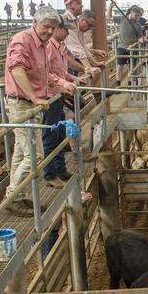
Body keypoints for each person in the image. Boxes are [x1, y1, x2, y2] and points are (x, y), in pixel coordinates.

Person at [4, 7, 63, 216]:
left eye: (52, 27)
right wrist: (33, 96)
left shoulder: (44, 45)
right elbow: (16, 69)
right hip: (22, 104)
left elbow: (46, 74)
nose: (49, 31)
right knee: (35, 155)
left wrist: (61, 84)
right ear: (35, 22)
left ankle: (18, 197)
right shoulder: (22, 40)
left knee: (21, 153)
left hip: (32, 104)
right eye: (46, 26)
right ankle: (12, 196)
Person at [43, 18, 85, 189]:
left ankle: (60, 169)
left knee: (60, 133)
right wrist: (64, 84)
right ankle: (50, 174)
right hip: (50, 96)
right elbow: (47, 73)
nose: (68, 33)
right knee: (50, 134)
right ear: (58, 29)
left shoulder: (60, 47)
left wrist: (74, 79)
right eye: (66, 30)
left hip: (57, 94)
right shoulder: (48, 47)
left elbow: (62, 71)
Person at [62, 0, 103, 81]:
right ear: (69, 5)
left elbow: (82, 47)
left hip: (67, 63)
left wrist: (94, 63)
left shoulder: (75, 21)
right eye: (78, 3)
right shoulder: (67, 20)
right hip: (62, 63)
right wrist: (88, 68)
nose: (82, 6)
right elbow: (76, 48)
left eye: (81, 3)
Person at [115, 4, 146, 85]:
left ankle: (130, 81)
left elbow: (139, 36)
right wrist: (110, 7)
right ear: (131, 12)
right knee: (119, 66)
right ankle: (118, 83)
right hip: (122, 46)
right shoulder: (122, 19)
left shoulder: (138, 24)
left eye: (138, 16)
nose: (137, 17)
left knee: (132, 66)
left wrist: (141, 39)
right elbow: (109, 17)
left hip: (133, 47)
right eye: (136, 15)